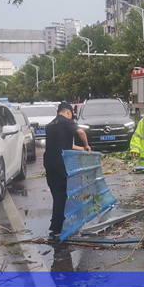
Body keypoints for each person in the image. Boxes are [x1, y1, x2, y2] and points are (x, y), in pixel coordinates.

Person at [43, 102, 90, 242]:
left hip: (49, 164)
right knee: (63, 195)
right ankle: (58, 228)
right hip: (60, 163)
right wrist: (86, 145)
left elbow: (66, 145)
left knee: (57, 195)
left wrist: (82, 149)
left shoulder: (50, 125)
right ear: (68, 112)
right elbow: (81, 132)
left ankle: (57, 226)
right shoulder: (66, 122)